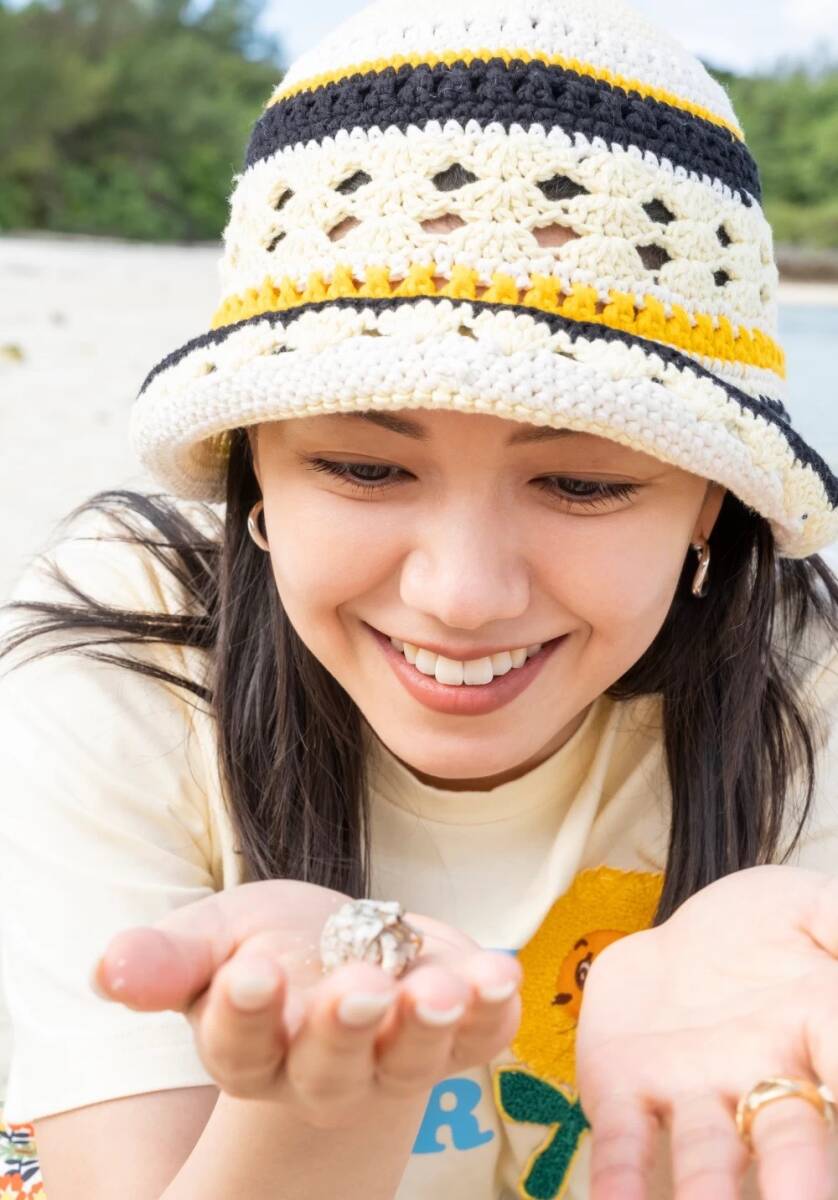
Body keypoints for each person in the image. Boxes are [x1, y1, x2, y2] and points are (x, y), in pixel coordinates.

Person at [0, 0, 836, 1196]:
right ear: (254, 474)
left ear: (710, 505)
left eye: (585, 482)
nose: (461, 594)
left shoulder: (799, 698)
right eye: (362, 466)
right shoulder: (126, 650)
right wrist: (330, 1105)